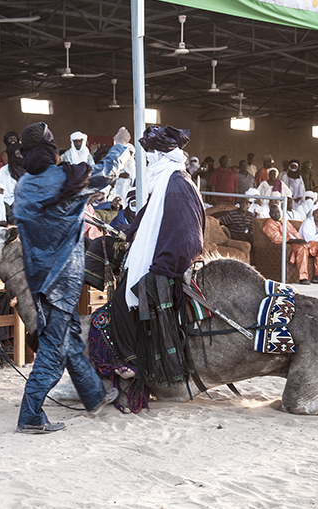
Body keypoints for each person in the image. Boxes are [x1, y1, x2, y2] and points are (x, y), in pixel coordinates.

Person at [14, 122, 131, 434]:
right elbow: (104, 175)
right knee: (54, 350)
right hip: (63, 277)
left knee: (71, 341)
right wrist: (119, 145)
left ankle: (93, 396)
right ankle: (30, 414)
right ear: (49, 148)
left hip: (38, 276)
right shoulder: (64, 179)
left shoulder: (23, 184)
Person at [107, 125, 204, 413]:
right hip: (150, 254)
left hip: (165, 263)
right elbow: (148, 214)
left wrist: (161, 268)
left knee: (123, 301)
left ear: (163, 155)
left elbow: (187, 235)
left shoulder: (178, 184)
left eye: (151, 155)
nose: (149, 160)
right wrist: (127, 230)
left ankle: (133, 364)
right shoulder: (164, 182)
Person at [262, 203, 318, 285]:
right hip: (290, 244)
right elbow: (277, 239)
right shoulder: (269, 224)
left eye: (278, 212)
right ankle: (303, 277)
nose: (276, 214)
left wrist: (300, 240)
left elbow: (294, 232)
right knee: (301, 249)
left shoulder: (284, 220)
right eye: (273, 213)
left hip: (299, 241)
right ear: (270, 214)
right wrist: (296, 241)